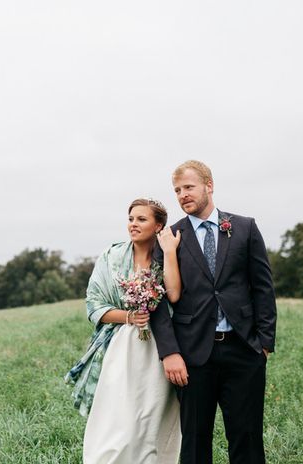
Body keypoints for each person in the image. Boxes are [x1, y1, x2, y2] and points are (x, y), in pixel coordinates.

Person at [150, 160, 277, 464]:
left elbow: (263, 287)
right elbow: (156, 303)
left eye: (189, 187)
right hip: (192, 356)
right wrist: (170, 353)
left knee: (246, 438)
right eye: (177, 190)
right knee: (194, 443)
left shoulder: (244, 227)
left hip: (244, 351)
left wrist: (264, 344)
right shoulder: (169, 238)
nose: (182, 195)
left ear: (209, 185)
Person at [66, 198, 182, 464]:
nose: (133, 224)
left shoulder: (166, 256)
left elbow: (174, 294)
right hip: (121, 347)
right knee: (117, 417)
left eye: (141, 219)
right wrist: (130, 316)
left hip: (158, 348)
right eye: (131, 218)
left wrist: (171, 251)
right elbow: (94, 305)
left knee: (151, 417)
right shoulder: (112, 256)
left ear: (158, 226)